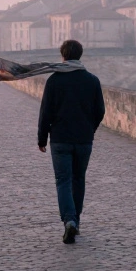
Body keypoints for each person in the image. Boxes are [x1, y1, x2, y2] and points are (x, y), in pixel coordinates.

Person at [36, 40, 105, 244]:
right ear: (80, 55)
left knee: (63, 181)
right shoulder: (92, 80)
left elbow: (45, 112)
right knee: (78, 180)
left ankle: (70, 221)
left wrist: (42, 138)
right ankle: (76, 221)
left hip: (60, 139)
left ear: (63, 56)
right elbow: (100, 111)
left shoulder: (54, 81)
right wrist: (89, 128)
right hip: (83, 140)